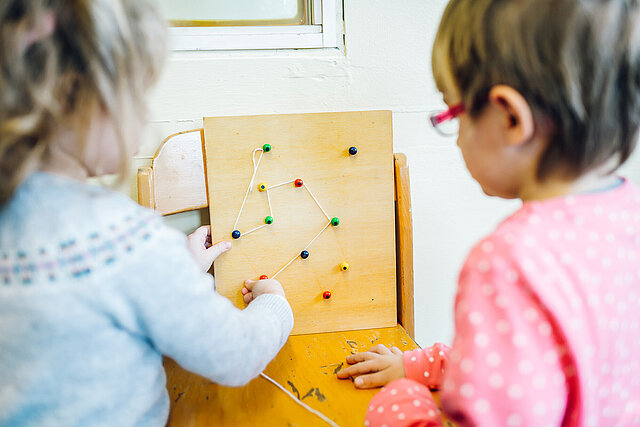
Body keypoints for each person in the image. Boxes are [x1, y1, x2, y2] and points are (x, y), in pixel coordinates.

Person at [337, 0, 640, 425]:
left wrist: (402, 402)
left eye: (451, 111)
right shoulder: (626, 218)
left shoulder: (509, 262)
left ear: (510, 117)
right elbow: (542, 360)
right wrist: (419, 366)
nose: (456, 137)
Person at [0, 1, 293, 425]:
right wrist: (276, 306)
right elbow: (235, 354)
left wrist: (179, 270)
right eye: (135, 94)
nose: (142, 114)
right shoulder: (123, 239)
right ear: (72, 97)